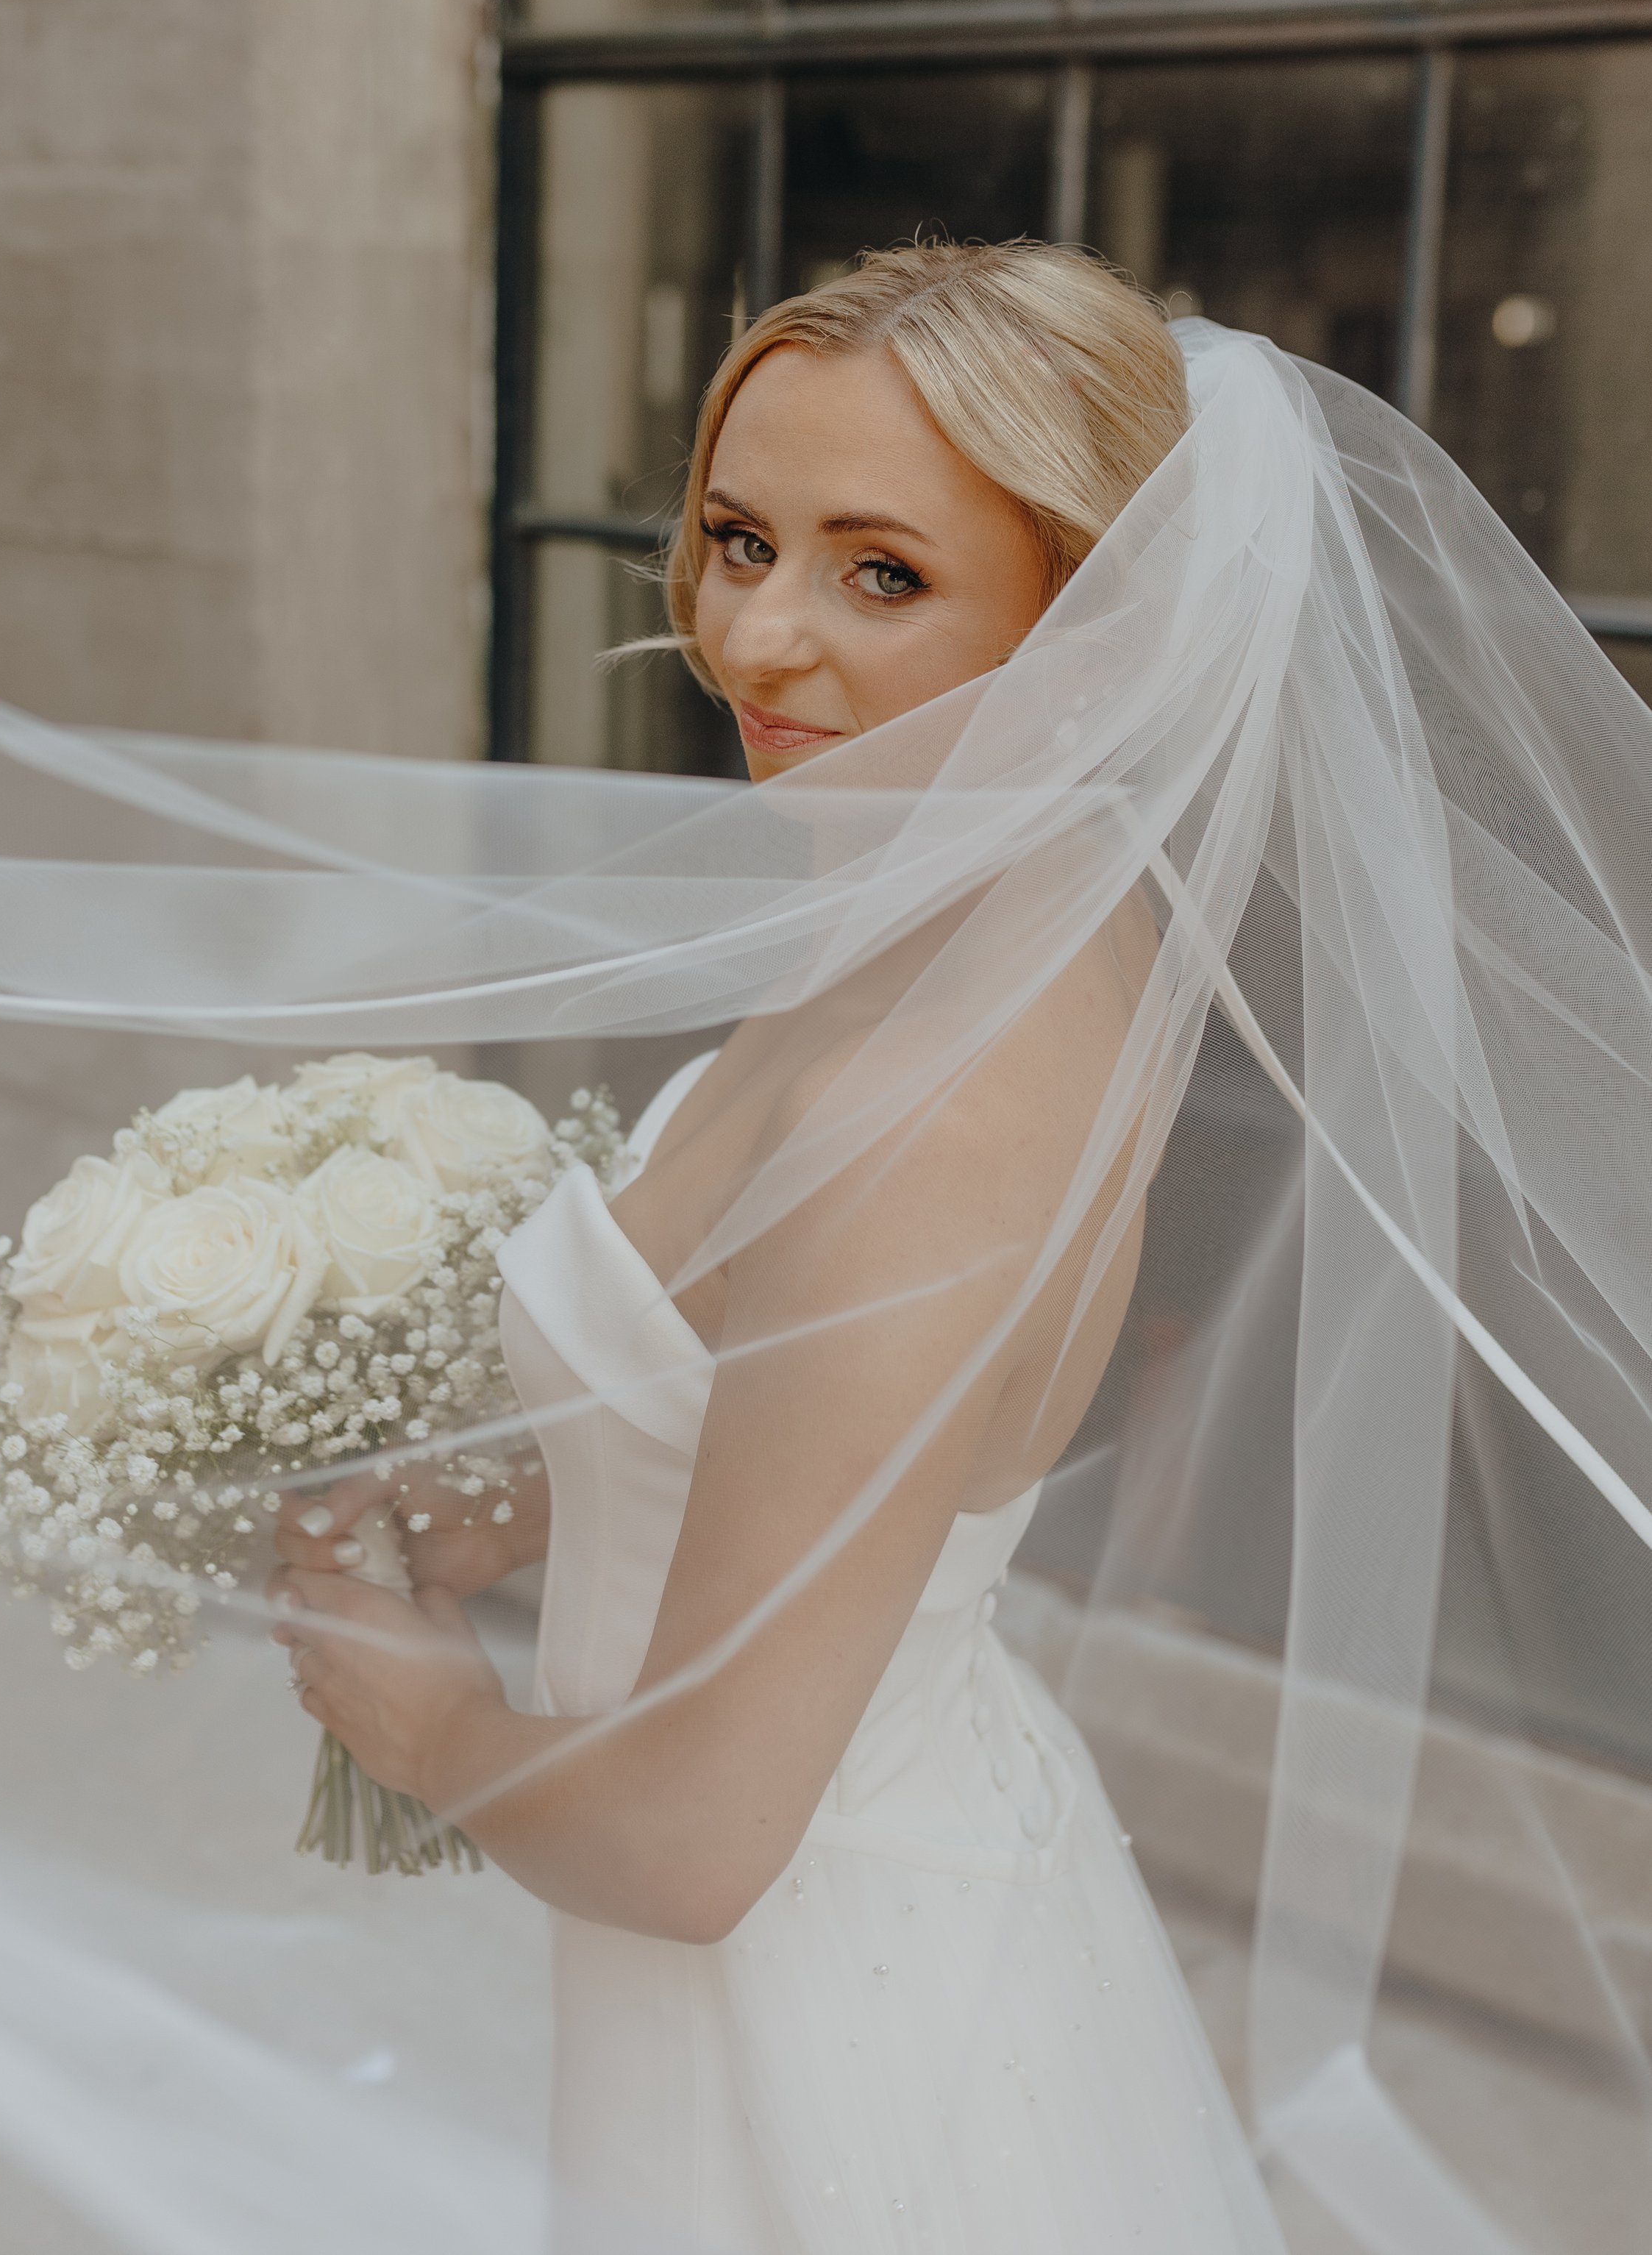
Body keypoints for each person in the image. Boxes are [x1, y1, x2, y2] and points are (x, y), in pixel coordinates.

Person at [269, 246, 1291, 2251]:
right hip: (903, 1880)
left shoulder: (925, 1106)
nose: (759, 637)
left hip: (824, 2011)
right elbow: (804, 1430)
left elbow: (688, 1838)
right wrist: (509, 1491)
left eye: (880, 574)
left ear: (1093, 630)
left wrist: (420, 1714)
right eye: (739, 539)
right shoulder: (961, 926)